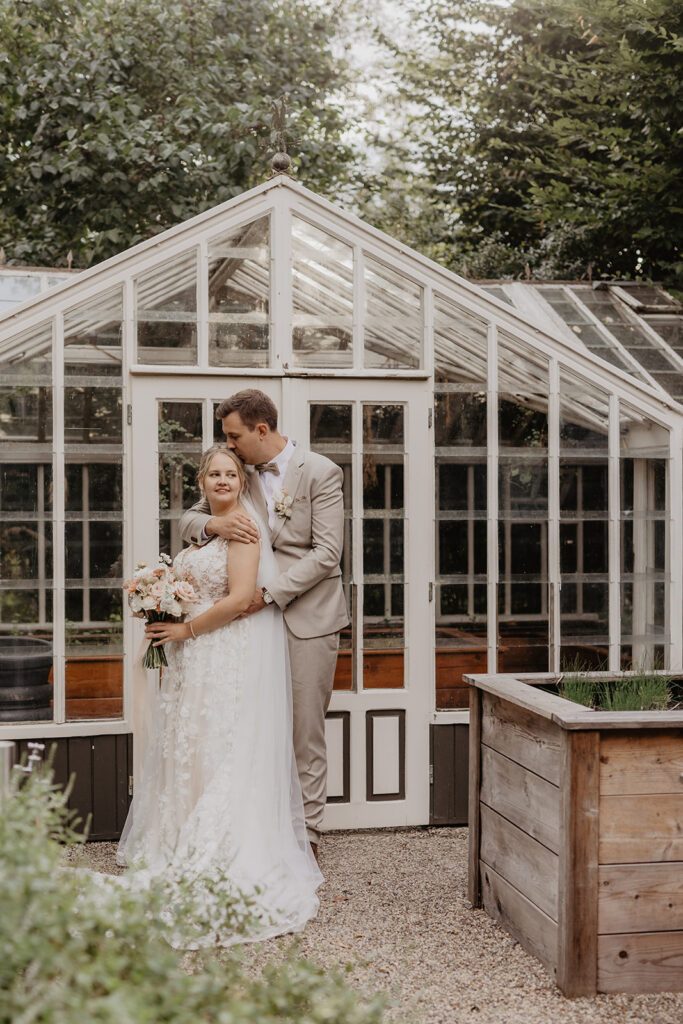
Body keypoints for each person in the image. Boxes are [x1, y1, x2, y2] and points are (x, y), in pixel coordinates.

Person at [117, 445, 322, 945]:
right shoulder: (201, 528)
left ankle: (218, 844)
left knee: (219, 744)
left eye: (232, 473)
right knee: (191, 743)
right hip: (194, 660)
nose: (224, 480)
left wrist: (184, 633)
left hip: (222, 651)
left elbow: (235, 600)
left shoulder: (248, 530)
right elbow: (192, 577)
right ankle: (180, 835)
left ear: (241, 481)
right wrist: (161, 605)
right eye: (215, 474)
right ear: (202, 482)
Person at [179, 389, 348, 861]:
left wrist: (268, 594)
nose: (228, 447)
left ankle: (307, 835)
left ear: (261, 430)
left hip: (307, 619)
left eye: (234, 437)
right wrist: (217, 528)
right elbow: (189, 519)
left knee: (303, 730)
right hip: (249, 629)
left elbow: (327, 553)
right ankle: (261, 826)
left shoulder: (320, 472)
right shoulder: (240, 474)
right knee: (252, 725)